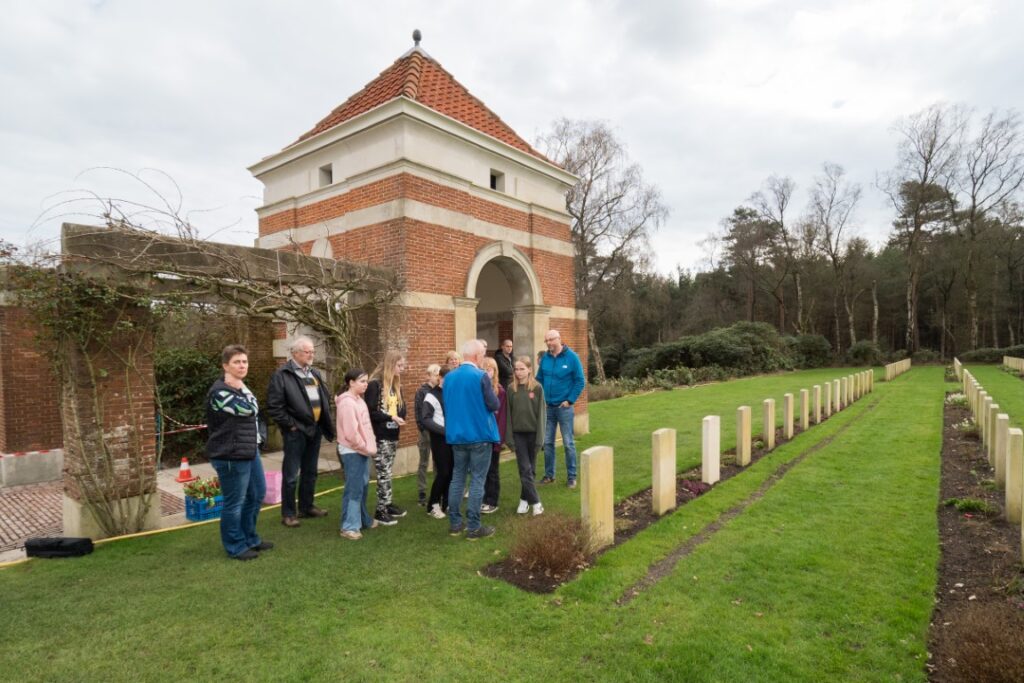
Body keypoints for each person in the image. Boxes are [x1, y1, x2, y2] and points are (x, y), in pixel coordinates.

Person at [205, 344, 271, 560]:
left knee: (257, 494)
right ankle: (235, 546)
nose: (242, 366)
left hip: (249, 452)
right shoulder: (220, 392)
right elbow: (250, 408)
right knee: (235, 503)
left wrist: (242, 387)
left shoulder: (239, 387)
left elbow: (253, 406)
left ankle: (250, 538)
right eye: (237, 362)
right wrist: (242, 389)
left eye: (244, 362)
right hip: (230, 455)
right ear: (225, 366)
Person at [267, 336, 336, 527]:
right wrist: (291, 426)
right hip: (296, 433)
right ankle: (288, 514)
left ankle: (307, 507)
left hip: (314, 430)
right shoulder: (282, 375)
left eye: (313, 351)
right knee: (290, 475)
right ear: (295, 353)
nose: (312, 354)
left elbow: (322, 398)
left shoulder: (313, 373)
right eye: (308, 352)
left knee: (310, 472)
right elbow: (274, 407)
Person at [444, 339, 500, 540]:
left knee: (457, 478)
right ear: (477, 356)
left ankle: (455, 524)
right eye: (483, 355)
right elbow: (494, 404)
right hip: (479, 435)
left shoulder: (449, 378)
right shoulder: (480, 376)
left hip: (456, 437)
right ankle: (474, 527)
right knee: (477, 479)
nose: (483, 358)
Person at [535, 329, 585, 489]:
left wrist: (569, 400)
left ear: (559, 339)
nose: (549, 343)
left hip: (564, 408)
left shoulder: (572, 358)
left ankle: (572, 477)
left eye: (551, 340)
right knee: (548, 442)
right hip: (548, 408)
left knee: (568, 443)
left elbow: (580, 381)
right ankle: (550, 475)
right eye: (546, 341)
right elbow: (539, 379)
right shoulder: (545, 359)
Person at [335, 368, 378, 540]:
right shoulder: (347, 403)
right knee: (354, 489)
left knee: (362, 486)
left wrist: (368, 447)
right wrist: (365, 448)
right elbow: (351, 434)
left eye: (366, 381)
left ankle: (362, 520)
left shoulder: (358, 400)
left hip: (362, 451)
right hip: (353, 451)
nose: (365, 384)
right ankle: (349, 526)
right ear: (351, 383)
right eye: (362, 381)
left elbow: (365, 427)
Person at [365, 350, 407, 526]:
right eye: (399, 365)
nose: (402, 369)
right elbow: (371, 412)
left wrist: (400, 415)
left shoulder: (395, 385)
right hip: (380, 435)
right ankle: (380, 510)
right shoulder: (375, 385)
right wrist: (390, 418)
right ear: (391, 365)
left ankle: (387, 504)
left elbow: (401, 407)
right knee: (383, 472)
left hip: (393, 434)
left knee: (388, 472)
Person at [506, 355, 545, 516]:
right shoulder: (511, 389)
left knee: (530, 470)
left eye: (522, 369)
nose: (519, 372)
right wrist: (509, 438)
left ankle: (524, 500)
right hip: (518, 435)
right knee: (525, 468)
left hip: (533, 434)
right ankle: (536, 503)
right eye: (516, 369)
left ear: (530, 369)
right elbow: (508, 415)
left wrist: (540, 439)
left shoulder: (537, 388)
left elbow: (542, 415)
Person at [420, 366, 452, 519]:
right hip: (440, 439)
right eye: (446, 378)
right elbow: (425, 419)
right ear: (440, 378)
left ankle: (447, 503)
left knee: (452, 472)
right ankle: (432, 504)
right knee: (443, 472)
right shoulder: (431, 396)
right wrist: (445, 431)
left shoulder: (453, 393)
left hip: (454, 439)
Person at [479, 356, 507, 514]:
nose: (486, 372)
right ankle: (483, 498)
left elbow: (501, 417)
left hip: (493, 437)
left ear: (494, 371)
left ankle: (492, 501)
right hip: (480, 436)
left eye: (489, 369)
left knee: (492, 470)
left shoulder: (499, 390)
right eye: (483, 368)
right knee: (481, 470)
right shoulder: (478, 388)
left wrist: (498, 439)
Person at [413, 365, 441, 507]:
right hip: (425, 433)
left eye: (438, 374)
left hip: (438, 432)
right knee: (424, 462)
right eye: (435, 374)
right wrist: (424, 430)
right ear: (428, 376)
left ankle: (438, 491)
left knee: (438, 462)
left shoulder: (440, 390)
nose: (437, 376)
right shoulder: (421, 392)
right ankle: (422, 493)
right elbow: (419, 414)